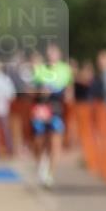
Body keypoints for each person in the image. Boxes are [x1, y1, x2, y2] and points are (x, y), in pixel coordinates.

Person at [31, 43, 72, 188]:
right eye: (49, 54)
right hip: (41, 111)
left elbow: (69, 91)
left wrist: (66, 94)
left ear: (58, 55)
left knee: (55, 144)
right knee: (39, 142)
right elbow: (32, 91)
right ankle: (41, 162)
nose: (51, 56)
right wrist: (40, 92)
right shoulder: (40, 70)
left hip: (56, 110)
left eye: (53, 53)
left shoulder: (65, 70)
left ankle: (50, 175)